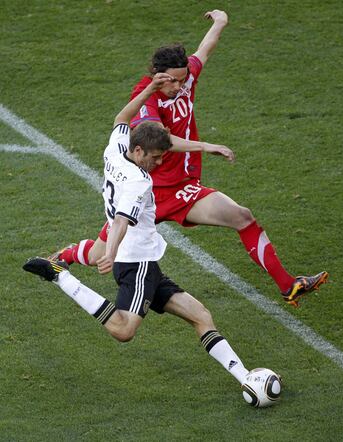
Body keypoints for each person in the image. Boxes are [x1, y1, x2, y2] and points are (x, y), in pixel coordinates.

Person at [50, 9, 328, 307]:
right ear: (158, 76)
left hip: (183, 188)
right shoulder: (147, 96)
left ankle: (289, 286)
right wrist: (206, 146)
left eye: (183, 80)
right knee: (99, 255)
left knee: (242, 216)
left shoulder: (185, 78)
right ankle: (63, 257)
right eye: (173, 82)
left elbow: (203, 51)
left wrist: (221, 22)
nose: (180, 86)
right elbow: (162, 141)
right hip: (147, 195)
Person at [23, 74, 251, 389]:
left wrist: (149, 90)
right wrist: (112, 252)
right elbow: (120, 221)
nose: (159, 164)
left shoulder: (117, 146)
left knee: (201, 315)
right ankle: (59, 275)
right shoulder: (139, 181)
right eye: (156, 158)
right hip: (136, 263)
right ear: (141, 151)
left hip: (144, 263)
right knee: (123, 329)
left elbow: (122, 117)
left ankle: (247, 378)